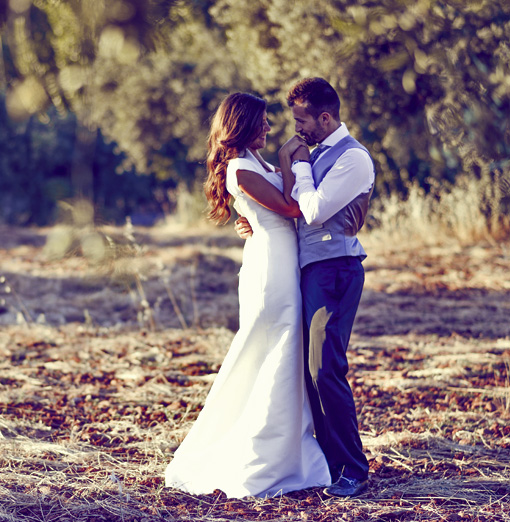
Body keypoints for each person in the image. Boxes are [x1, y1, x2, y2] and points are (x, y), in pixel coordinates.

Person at [164, 92, 331, 498]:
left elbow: (268, 208)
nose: (270, 129)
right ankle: (264, 456)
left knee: (281, 351)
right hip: (270, 267)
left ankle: (290, 449)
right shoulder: (240, 168)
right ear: (243, 124)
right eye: (264, 122)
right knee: (274, 345)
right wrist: (295, 160)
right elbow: (292, 208)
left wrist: (253, 212)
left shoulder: (255, 162)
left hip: (281, 256)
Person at [236, 77, 375, 498]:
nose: (296, 128)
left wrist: (296, 165)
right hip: (310, 270)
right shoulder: (315, 154)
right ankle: (331, 463)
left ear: (326, 117)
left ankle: (354, 468)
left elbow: (312, 211)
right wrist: (255, 223)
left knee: (324, 368)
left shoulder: (354, 159)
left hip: (336, 270)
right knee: (310, 369)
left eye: (302, 120)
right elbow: (289, 208)